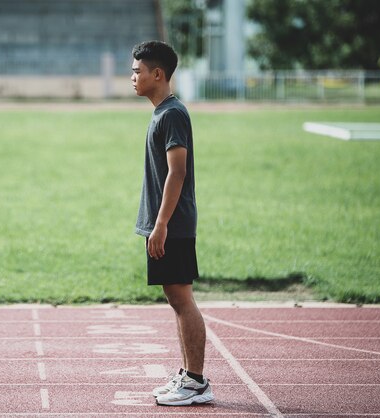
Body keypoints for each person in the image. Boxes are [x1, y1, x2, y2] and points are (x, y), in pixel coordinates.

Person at [131, 40, 214, 406]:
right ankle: (187, 374)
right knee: (175, 298)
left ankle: (196, 381)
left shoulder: (172, 114)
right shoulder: (162, 113)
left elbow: (177, 172)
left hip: (173, 224)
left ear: (157, 74)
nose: (132, 77)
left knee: (182, 298)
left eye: (137, 71)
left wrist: (162, 223)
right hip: (165, 223)